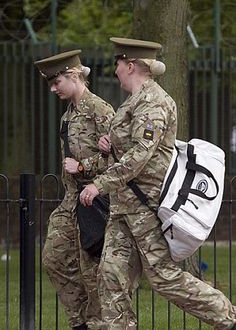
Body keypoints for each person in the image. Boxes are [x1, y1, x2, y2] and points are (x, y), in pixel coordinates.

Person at [79, 37, 236, 330]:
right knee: (111, 275)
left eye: (117, 65)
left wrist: (99, 184)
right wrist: (108, 145)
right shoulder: (133, 102)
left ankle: (228, 317)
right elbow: (131, 148)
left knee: (164, 278)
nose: (114, 72)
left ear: (129, 65)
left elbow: (141, 154)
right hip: (123, 207)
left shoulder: (154, 102)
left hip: (146, 207)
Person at [34, 50, 115, 330]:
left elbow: (120, 159)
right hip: (72, 200)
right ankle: (80, 322)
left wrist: (82, 167)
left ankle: (97, 324)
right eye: (50, 84)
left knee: (93, 270)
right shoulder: (67, 115)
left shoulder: (101, 111)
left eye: (56, 82)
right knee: (54, 257)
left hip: (96, 201)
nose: (53, 89)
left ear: (74, 75)